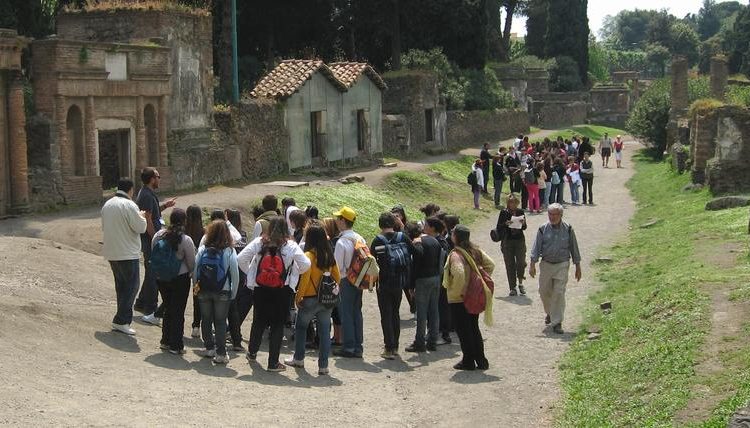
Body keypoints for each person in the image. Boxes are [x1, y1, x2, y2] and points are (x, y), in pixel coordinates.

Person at [239, 216, 310, 371]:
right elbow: (305, 264)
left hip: (260, 287)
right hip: (282, 289)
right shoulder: (290, 245)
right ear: (286, 229)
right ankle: (273, 363)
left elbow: (241, 258)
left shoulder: (260, 242)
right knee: (278, 325)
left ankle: (252, 352)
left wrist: (252, 273)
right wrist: (292, 275)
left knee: (258, 320)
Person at [284, 222, 339, 375]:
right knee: (324, 332)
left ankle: (299, 358)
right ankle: (323, 366)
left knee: (301, 328)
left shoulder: (308, 256)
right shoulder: (329, 255)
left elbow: (305, 279)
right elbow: (338, 277)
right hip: (326, 299)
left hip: (309, 298)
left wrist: (298, 297)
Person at [442, 225, 495, 370]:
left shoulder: (455, 254)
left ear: (456, 237)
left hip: (459, 298)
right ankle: (481, 360)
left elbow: (458, 273)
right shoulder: (476, 251)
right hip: (474, 296)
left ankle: (468, 361)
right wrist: (477, 281)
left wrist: (458, 290)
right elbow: (491, 265)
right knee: (473, 327)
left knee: (463, 331)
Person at [101, 179, 148, 335]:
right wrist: (141, 216)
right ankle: (121, 320)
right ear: (131, 190)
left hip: (112, 251)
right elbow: (141, 228)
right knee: (132, 286)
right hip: (127, 253)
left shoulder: (107, 204)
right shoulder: (129, 205)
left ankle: (121, 319)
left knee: (121, 286)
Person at [529, 203, 582, 334]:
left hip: (562, 264)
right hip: (546, 264)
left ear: (561, 215)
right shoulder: (542, 229)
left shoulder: (568, 229)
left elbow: (574, 248)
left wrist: (578, 266)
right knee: (543, 291)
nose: (552, 217)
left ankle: (557, 322)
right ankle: (550, 313)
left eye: (555, 214)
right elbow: (536, 247)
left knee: (559, 292)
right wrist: (532, 264)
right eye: (550, 214)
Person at [134, 167, 176, 326]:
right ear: (152, 179)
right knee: (153, 274)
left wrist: (165, 206)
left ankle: (140, 302)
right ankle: (150, 309)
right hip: (150, 239)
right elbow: (149, 219)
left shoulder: (147, 194)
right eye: (158, 177)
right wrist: (155, 240)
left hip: (151, 238)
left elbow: (153, 212)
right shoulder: (145, 195)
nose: (160, 179)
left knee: (151, 271)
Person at [194, 220, 240, 364]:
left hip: (204, 289)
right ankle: (221, 353)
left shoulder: (203, 249)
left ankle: (209, 348)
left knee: (206, 319)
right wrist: (233, 292)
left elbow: (195, 269)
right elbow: (235, 273)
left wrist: (195, 286)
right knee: (220, 322)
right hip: (223, 290)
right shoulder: (229, 251)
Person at [152, 208, 195, 354]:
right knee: (178, 311)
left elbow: (154, 252)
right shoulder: (185, 239)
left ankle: (165, 341)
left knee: (168, 308)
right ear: (184, 221)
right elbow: (192, 263)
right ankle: (176, 345)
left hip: (161, 277)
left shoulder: (159, 235)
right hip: (179, 279)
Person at [370, 212, 412, 359]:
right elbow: (414, 252)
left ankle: (389, 347)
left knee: (385, 315)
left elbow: (372, 262)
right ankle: (395, 347)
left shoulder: (378, 240)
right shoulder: (402, 237)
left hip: (384, 283)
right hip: (399, 282)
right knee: (395, 313)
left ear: (380, 225)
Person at [332, 206, 367, 358]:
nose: (336, 220)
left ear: (342, 221)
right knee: (356, 312)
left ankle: (349, 347)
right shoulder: (360, 238)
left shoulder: (341, 242)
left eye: (338, 218)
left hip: (346, 280)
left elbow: (337, 267)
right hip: (359, 280)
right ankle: (358, 346)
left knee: (345, 313)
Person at [407, 216, 443, 353]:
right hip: (435, 278)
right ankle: (433, 340)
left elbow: (415, 265)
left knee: (421, 313)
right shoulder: (435, 241)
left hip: (422, 279)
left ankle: (419, 342)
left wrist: (411, 285)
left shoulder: (418, 242)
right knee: (434, 310)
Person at [226, 209, 250, 352]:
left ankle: (231, 333)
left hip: (231, 270)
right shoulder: (243, 234)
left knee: (231, 305)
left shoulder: (228, 234)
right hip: (242, 272)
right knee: (236, 304)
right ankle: (235, 334)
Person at [495, 194, 527, 296]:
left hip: (519, 240)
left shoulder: (520, 212)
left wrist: (523, 223)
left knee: (521, 263)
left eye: (514, 202)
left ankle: (521, 283)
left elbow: (524, 227)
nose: (512, 204)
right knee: (510, 264)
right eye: (510, 202)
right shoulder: (504, 212)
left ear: (517, 203)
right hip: (507, 241)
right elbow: (498, 227)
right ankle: (512, 287)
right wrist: (505, 224)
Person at [185, 204, 205, 338]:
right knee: (197, 297)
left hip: (183, 271)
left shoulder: (184, 231)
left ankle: (158, 313)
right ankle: (196, 326)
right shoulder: (204, 233)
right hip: (197, 274)